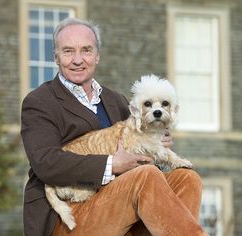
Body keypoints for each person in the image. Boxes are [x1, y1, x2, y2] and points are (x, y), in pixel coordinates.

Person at [21, 17, 207, 236]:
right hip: (66, 214)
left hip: (116, 204)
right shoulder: (40, 101)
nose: (78, 59)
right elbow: (46, 163)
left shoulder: (115, 100)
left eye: (86, 50)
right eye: (68, 51)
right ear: (56, 57)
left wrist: (155, 140)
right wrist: (111, 165)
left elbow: (137, 145)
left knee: (187, 179)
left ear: (97, 56)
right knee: (145, 176)